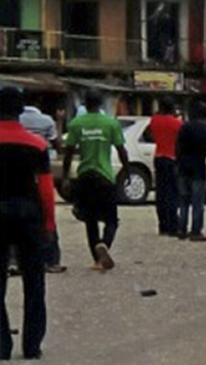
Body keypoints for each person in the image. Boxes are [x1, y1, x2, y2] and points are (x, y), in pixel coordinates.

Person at [0, 88, 48, 359]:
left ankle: (2, 345)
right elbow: (46, 189)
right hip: (29, 213)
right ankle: (31, 346)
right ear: (20, 111)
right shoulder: (36, 144)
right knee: (34, 281)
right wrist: (49, 225)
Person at [64, 91, 129, 271]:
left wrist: (66, 177)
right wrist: (127, 170)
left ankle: (97, 259)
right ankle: (104, 245)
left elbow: (68, 153)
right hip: (105, 175)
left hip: (85, 175)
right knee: (112, 220)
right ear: (100, 104)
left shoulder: (76, 124)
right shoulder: (111, 123)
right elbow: (121, 150)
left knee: (90, 220)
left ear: (85, 104)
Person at [19, 97, 65, 273]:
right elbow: (58, 144)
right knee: (45, 216)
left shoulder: (16, 120)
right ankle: (51, 261)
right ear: (39, 104)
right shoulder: (46, 121)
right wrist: (59, 122)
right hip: (40, 173)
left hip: (15, 177)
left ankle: (14, 262)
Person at [175, 101, 206, 241]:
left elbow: (178, 148)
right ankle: (196, 230)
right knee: (197, 202)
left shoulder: (184, 128)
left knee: (183, 201)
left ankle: (181, 228)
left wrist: (177, 165)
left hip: (183, 168)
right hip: (198, 169)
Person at [150, 98, 183, 237]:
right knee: (173, 192)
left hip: (159, 156)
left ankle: (162, 224)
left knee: (161, 192)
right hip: (172, 158)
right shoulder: (177, 123)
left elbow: (152, 135)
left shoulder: (154, 120)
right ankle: (173, 224)